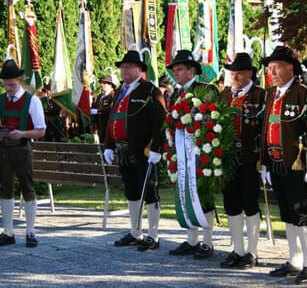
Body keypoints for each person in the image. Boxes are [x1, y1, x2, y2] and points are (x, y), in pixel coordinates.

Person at [260, 46, 307, 285]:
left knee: (301, 215)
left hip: (298, 164)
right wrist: (264, 163)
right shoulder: (270, 95)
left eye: (276, 67)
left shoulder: (304, 95)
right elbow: (265, 130)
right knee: (287, 214)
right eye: (269, 68)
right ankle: (294, 260)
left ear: (291, 68)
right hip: (275, 163)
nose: (272, 72)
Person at [103, 50, 165, 251]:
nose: (124, 70)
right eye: (122, 67)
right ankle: (135, 232)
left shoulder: (150, 90)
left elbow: (161, 122)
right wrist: (108, 145)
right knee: (131, 192)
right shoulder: (120, 91)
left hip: (144, 151)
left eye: (129, 66)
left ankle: (153, 236)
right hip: (123, 151)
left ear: (140, 69)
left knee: (149, 192)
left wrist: (156, 148)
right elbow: (112, 118)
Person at [167, 49, 218, 260]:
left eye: (180, 69)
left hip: (200, 151)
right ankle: (191, 239)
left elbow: (211, 120)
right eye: (175, 70)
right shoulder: (175, 94)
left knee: (203, 196)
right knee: (186, 193)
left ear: (191, 71)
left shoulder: (206, 89)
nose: (176, 73)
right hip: (181, 152)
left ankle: (207, 242)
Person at [219, 52, 265, 269]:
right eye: (233, 72)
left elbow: (265, 130)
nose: (235, 76)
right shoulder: (225, 95)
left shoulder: (260, 95)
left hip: (249, 158)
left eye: (240, 72)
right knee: (231, 202)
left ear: (250, 74)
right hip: (227, 158)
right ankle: (237, 249)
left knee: (250, 202)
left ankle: (252, 252)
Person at [0, 59, 46, 247]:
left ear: (20, 80)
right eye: (5, 85)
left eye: (11, 84)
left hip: (22, 148)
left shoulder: (32, 100)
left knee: (27, 187)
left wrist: (22, 133)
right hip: (3, 149)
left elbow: (41, 130)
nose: (8, 88)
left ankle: (31, 232)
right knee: (5, 189)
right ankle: (8, 232)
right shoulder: (1, 100)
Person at [91, 75, 116, 143]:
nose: (102, 85)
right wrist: (94, 125)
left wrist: (98, 111)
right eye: (102, 83)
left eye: (104, 83)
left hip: (109, 125)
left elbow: (112, 108)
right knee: (101, 144)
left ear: (110, 85)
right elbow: (94, 108)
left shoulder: (113, 95)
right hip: (100, 125)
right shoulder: (100, 96)